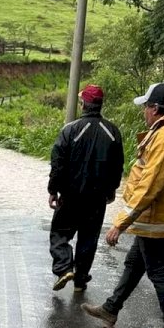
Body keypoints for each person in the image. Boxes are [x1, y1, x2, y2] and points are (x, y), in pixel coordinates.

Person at [81, 82, 164, 328]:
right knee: (135, 262)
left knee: (160, 271)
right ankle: (111, 308)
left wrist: (120, 223)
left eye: (146, 107)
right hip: (161, 213)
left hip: (156, 215)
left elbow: (150, 185)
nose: (144, 111)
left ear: (156, 108)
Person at [48, 85, 124, 293]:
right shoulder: (113, 132)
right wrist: (111, 191)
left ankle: (64, 268)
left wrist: (53, 190)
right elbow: (118, 167)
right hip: (97, 198)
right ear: (100, 105)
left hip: (71, 195)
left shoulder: (70, 130)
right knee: (88, 238)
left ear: (83, 104)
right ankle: (80, 281)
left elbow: (58, 163)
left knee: (59, 234)